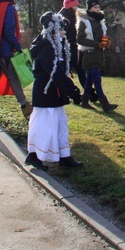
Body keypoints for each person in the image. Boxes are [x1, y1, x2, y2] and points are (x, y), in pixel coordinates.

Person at [25, 11, 84, 171]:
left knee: (60, 125)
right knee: (45, 127)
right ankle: (34, 155)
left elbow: (59, 71)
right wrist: (72, 91)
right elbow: (55, 73)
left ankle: (64, 156)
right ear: (53, 29)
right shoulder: (47, 48)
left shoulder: (54, 46)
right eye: (61, 29)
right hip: (46, 95)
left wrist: (70, 90)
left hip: (54, 94)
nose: (64, 32)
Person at [76, 0, 118, 112]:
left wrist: (106, 41)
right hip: (88, 54)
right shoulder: (84, 22)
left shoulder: (100, 21)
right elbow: (79, 39)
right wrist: (96, 44)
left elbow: (101, 36)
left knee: (90, 78)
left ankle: (84, 101)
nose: (97, 9)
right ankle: (105, 104)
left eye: (98, 7)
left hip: (98, 54)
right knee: (97, 79)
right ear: (89, 8)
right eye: (95, 8)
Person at [57, 0, 85, 100]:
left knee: (80, 70)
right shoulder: (66, 19)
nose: (77, 7)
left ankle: (89, 94)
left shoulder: (70, 16)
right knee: (66, 72)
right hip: (68, 49)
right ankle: (73, 94)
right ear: (70, 6)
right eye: (76, 5)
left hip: (73, 47)